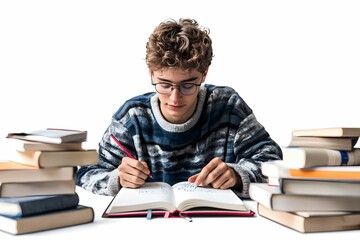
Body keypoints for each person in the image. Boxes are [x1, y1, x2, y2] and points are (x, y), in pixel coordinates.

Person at [76, 18, 282, 198]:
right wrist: (117, 179)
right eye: (164, 84)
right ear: (151, 73)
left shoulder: (228, 107)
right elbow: (86, 172)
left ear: (204, 75)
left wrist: (237, 175)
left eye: (188, 85)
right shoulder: (132, 117)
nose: (175, 98)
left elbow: (272, 160)